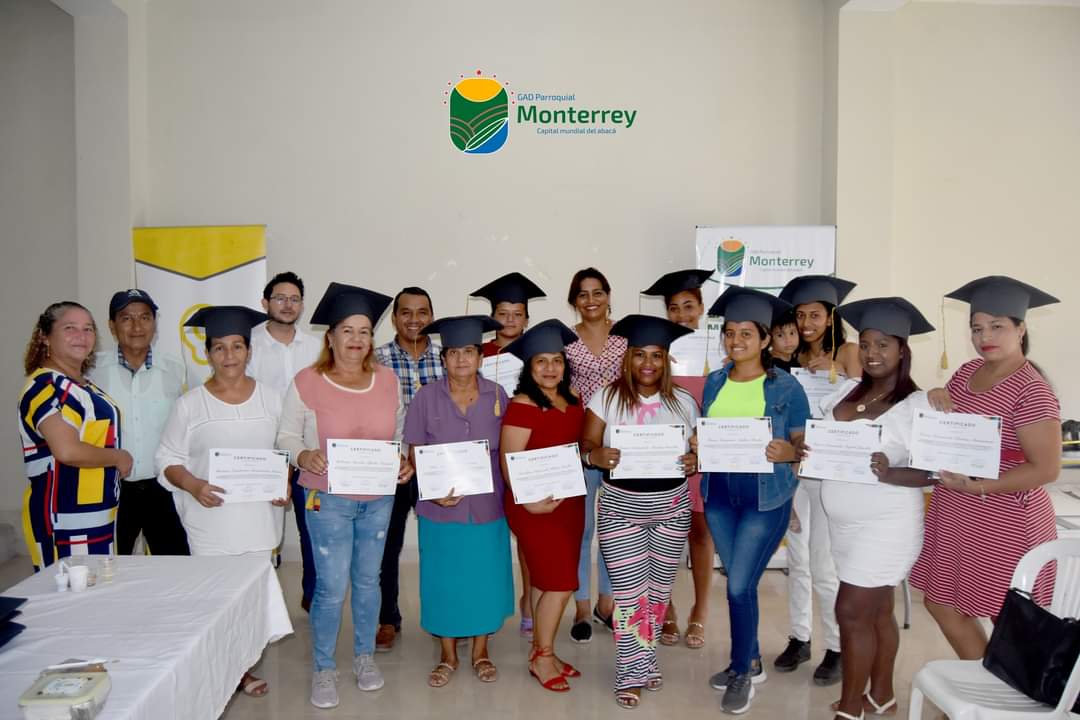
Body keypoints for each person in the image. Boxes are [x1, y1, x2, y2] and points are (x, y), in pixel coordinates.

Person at [276, 283, 412, 709]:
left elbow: (399, 434)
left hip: (378, 499)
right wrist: (303, 455)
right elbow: (285, 435)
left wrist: (403, 460)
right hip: (326, 499)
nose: (357, 339)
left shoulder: (387, 381)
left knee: (369, 581)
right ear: (331, 337)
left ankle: (364, 658)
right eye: (348, 331)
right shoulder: (308, 381)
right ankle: (323, 668)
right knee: (331, 587)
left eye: (365, 331)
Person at [911, 276, 1061, 661]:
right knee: (942, 601)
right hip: (957, 509)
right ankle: (982, 680)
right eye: (977, 328)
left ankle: (1008, 689)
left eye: (997, 326)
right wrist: (936, 396)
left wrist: (979, 487)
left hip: (1005, 517)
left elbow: (1046, 469)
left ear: (1021, 329)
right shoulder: (967, 372)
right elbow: (950, 425)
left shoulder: (1031, 389)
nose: (985, 336)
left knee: (1007, 616)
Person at [808, 298, 937, 720]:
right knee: (878, 611)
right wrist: (809, 451)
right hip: (843, 526)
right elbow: (823, 445)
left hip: (887, 524)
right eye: (864, 344)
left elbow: (936, 472)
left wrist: (890, 472)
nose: (872, 353)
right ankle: (882, 695)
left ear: (902, 349)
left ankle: (850, 707)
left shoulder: (919, 405)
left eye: (883, 344)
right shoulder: (847, 391)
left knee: (849, 610)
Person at [155, 305, 291, 698]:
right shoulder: (190, 404)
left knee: (250, 599)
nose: (229, 355)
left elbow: (285, 450)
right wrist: (193, 484)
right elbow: (166, 459)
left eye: (237, 346)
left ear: (249, 351)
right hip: (210, 520)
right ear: (208, 353)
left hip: (257, 520)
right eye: (219, 347)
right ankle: (230, 672)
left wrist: (284, 482)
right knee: (215, 600)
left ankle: (242, 665)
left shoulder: (271, 400)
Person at [700, 286, 810, 715]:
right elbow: (707, 434)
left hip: (765, 499)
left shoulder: (787, 387)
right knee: (739, 586)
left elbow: (803, 444)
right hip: (719, 495)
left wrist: (789, 452)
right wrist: (696, 446)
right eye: (729, 333)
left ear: (765, 339)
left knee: (739, 585)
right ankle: (752, 661)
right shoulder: (714, 382)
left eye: (746, 333)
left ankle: (741, 672)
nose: (736, 341)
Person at [581, 314, 699, 709]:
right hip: (620, 509)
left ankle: (645, 661)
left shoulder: (684, 402)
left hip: (672, 509)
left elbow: (697, 449)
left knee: (658, 593)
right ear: (627, 358)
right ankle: (630, 672)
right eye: (639, 355)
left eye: (656, 355)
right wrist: (596, 455)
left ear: (666, 360)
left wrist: (694, 460)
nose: (647, 363)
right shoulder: (606, 397)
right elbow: (586, 443)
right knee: (630, 595)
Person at [404, 315, 513, 688]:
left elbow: (509, 448)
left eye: (469, 351)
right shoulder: (425, 397)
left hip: (487, 505)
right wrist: (433, 490)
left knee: (484, 577)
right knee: (444, 579)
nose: (461, 359)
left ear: (480, 357)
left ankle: (481, 650)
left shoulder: (497, 395)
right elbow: (416, 449)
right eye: (453, 352)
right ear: (443, 358)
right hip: (439, 508)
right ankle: (448, 654)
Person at [774, 274, 861, 685]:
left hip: (831, 473)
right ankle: (800, 637)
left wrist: (838, 370)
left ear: (830, 316)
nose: (806, 323)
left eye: (815, 315)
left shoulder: (849, 351)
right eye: (801, 315)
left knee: (824, 565)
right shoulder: (790, 358)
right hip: (796, 470)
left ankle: (837, 646)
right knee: (797, 560)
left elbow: (866, 402)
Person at [499, 319, 586, 693]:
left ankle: (540, 648)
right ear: (529, 367)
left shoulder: (574, 398)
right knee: (562, 583)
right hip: (532, 506)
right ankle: (544, 657)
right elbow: (508, 460)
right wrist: (529, 501)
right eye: (541, 361)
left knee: (546, 580)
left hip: (568, 502)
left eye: (557, 360)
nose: (550, 368)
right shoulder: (523, 404)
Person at [20, 302, 132, 570]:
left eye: (88, 329)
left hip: (95, 514)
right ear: (45, 336)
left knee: (99, 587)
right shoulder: (44, 386)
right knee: (72, 590)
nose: (81, 336)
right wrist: (118, 457)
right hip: (64, 519)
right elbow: (67, 451)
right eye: (70, 328)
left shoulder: (82, 385)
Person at [641, 269, 718, 649]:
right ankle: (665, 608)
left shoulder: (719, 348)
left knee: (701, 534)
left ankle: (699, 611)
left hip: (705, 453)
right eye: (674, 308)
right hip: (665, 454)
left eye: (689, 306)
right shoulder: (656, 351)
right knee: (662, 534)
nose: (682, 315)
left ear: (701, 308)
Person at [471, 272, 546, 638]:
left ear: (527, 318)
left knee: (528, 538)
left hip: (525, 451)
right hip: (483, 454)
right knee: (486, 534)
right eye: (503, 313)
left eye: (518, 314)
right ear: (492, 317)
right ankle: (482, 605)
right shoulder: (477, 353)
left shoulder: (538, 354)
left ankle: (529, 602)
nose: (510, 320)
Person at [91, 289, 189, 556]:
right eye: (126, 318)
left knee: (175, 566)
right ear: (112, 326)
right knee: (111, 565)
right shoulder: (91, 371)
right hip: (112, 488)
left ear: (154, 324)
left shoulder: (176, 369)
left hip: (163, 488)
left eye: (145, 317)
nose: (137, 326)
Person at [373, 286, 443, 652]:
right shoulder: (377, 359)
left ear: (431, 315)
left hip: (438, 465)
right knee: (387, 546)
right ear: (394, 317)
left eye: (422, 312)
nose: (414, 319)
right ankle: (387, 618)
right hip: (394, 465)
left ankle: (446, 616)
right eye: (406, 312)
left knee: (442, 545)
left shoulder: (447, 357)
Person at [248, 271, 322, 611]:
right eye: (280, 298)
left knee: (312, 527)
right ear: (265, 302)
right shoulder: (248, 344)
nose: (288, 305)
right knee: (262, 529)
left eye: (294, 299)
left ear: (302, 305)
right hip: (262, 450)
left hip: (306, 451)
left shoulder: (316, 347)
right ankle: (260, 602)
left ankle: (314, 596)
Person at [564, 267, 626, 642]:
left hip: (621, 443)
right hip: (581, 444)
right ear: (574, 301)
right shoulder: (565, 340)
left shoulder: (626, 336)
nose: (591, 300)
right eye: (583, 294)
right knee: (582, 528)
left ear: (608, 295)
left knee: (613, 526)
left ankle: (607, 603)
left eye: (597, 292)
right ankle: (582, 606)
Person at [769, 308, 800, 372]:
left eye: (792, 333)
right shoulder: (770, 366)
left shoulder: (796, 361)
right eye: (780, 335)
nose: (788, 340)